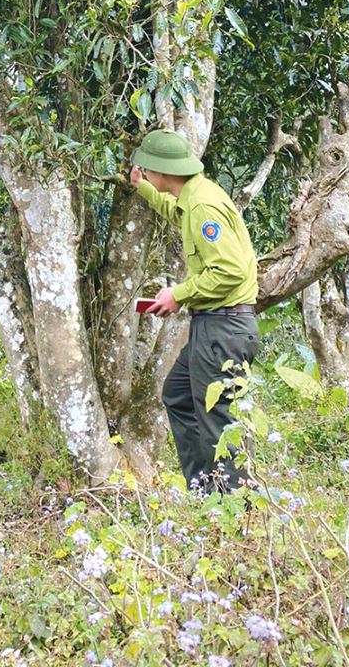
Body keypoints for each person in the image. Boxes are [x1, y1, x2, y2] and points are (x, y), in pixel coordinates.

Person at [129, 129, 260, 493]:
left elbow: (229, 269)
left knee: (218, 418)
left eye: (146, 167)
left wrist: (179, 294)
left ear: (161, 169)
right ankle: (204, 489)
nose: (143, 169)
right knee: (178, 395)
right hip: (213, 325)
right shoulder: (193, 196)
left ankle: (236, 507)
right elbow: (176, 212)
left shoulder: (203, 205)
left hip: (224, 327)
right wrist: (143, 188)